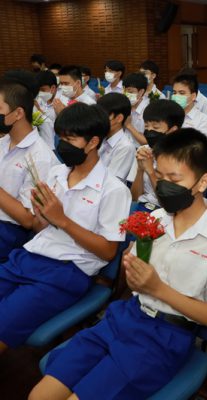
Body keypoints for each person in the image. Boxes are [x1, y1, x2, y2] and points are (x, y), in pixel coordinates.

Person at [29, 128, 207, 400]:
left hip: (164, 337)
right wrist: (131, 270)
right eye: (160, 176)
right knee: (40, 394)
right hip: (126, 316)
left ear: (202, 182)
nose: (163, 185)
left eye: (174, 179)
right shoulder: (154, 219)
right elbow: (134, 279)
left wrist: (158, 289)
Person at [0, 102, 131, 353]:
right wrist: (41, 215)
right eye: (60, 138)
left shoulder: (113, 190)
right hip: (28, 257)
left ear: (93, 142)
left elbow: (107, 252)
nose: (62, 145)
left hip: (66, 272)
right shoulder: (57, 173)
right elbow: (40, 228)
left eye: (70, 139)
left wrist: (62, 220)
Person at [0, 73, 59, 260]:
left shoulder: (41, 157)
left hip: (9, 230)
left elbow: (28, 220)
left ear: (18, 113)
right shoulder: (3, 142)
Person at [130, 99, 185, 211]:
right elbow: (135, 197)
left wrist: (151, 172)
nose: (149, 131)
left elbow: (169, 204)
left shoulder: (182, 159)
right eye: (146, 126)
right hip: (142, 207)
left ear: (173, 130)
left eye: (155, 128)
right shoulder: (143, 150)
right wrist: (140, 170)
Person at [97, 93, 136, 182]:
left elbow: (110, 181)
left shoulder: (125, 147)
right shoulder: (101, 137)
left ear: (119, 118)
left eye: (103, 116)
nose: (98, 120)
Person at [123, 72, 149, 147]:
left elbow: (146, 141)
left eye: (130, 92)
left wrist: (128, 125)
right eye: (125, 91)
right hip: (123, 147)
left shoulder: (148, 110)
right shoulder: (124, 106)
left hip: (140, 150)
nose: (126, 94)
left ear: (141, 92)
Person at [34, 70, 59, 149]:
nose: (40, 93)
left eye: (43, 90)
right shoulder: (39, 100)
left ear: (53, 88)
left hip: (55, 147)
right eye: (38, 90)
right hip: (41, 145)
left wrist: (39, 111)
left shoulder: (61, 103)